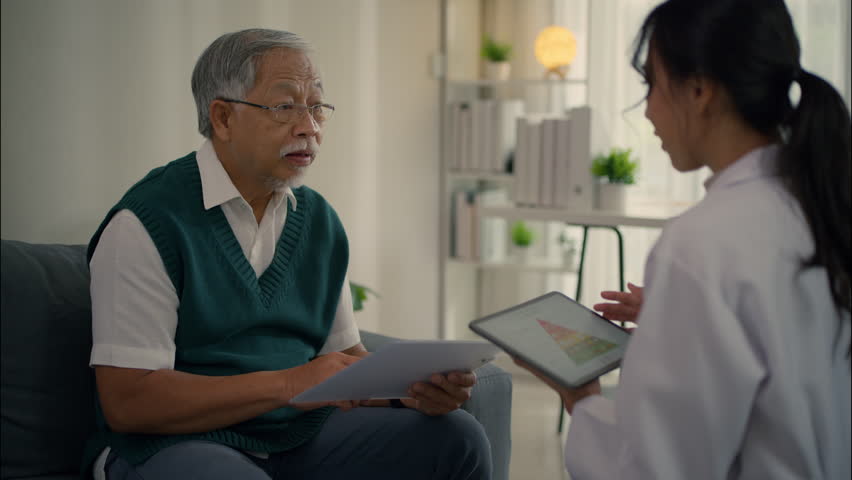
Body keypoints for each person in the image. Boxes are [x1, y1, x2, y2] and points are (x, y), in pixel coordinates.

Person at [82, 28, 491, 480]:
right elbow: (129, 403)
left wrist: (409, 392)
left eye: (316, 107)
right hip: (172, 446)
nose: (309, 127)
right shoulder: (146, 223)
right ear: (223, 118)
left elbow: (345, 362)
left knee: (456, 439)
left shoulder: (319, 222)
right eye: (284, 106)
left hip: (295, 437)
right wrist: (292, 383)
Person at [514, 0, 851, 478]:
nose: (648, 110)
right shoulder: (819, 206)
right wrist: (679, 318)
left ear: (699, 90)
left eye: (652, 84)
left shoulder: (702, 244)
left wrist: (581, 399)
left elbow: (658, 471)